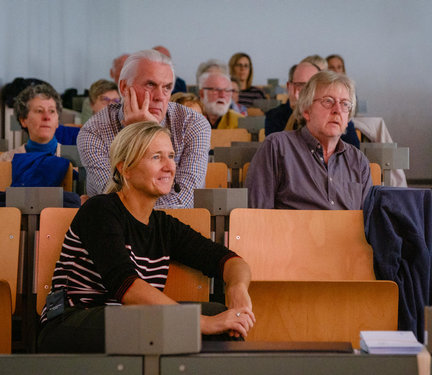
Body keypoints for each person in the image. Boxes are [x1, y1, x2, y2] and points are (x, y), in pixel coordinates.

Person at [37, 122, 255, 353]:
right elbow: (127, 287)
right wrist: (201, 323)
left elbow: (229, 260)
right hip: (69, 321)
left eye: (171, 156)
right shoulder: (100, 209)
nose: (169, 166)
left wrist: (237, 288)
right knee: (163, 324)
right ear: (125, 169)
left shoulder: (164, 225)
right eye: (156, 157)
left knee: (219, 316)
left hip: (131, 319)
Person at [77, 49, 211, 208]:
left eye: (167, 87)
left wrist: (151, 132)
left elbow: (185, 202)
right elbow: (117, 204)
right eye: (150, 85)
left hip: (175, 229)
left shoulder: (193, 124)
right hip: (118, 231)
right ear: (124, 87)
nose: (160, 96)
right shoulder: (94, 131)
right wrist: (138, 134)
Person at [247, 71, 372, 210]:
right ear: (306, 111)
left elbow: (367, 225)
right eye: (328, 101)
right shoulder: (276, 148)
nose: (337, 110)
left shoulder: (358, 161)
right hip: (291, 231)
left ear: (348, 118)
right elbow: (256, 218)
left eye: (345, 104)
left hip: (345, 232)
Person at [266, 61, 360, 148]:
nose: (337, 110)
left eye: (313, 86)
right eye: (301, 85)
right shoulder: (276, 129)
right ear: (290, 87)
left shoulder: (340, 118)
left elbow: (352, 155)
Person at [0, 84, 63, 161]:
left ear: (57, 121)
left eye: (52, 111)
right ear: (23, 120)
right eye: (39, 111)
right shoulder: (6, 160)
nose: (47, 117)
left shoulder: (78, 158)